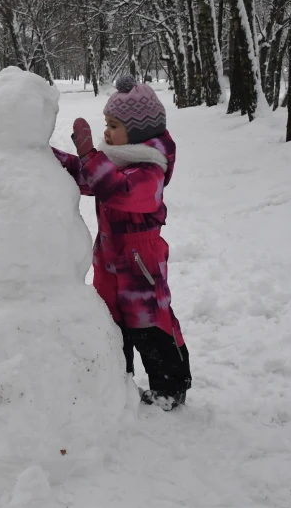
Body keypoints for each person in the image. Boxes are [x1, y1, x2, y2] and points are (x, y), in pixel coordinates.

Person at [51, 76, 191, 410]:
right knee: (111, 322)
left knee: (149, 324)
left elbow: (116, 190)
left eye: (114, 125)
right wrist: (46, 155)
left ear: (139, 130)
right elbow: (87, 177)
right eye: (107, 124)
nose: (107, 132)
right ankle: (117, 380)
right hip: (109, 257)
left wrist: (89, 154)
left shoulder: (150, 172)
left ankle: (170, 387)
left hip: (140, 260)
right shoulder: (115, 162)